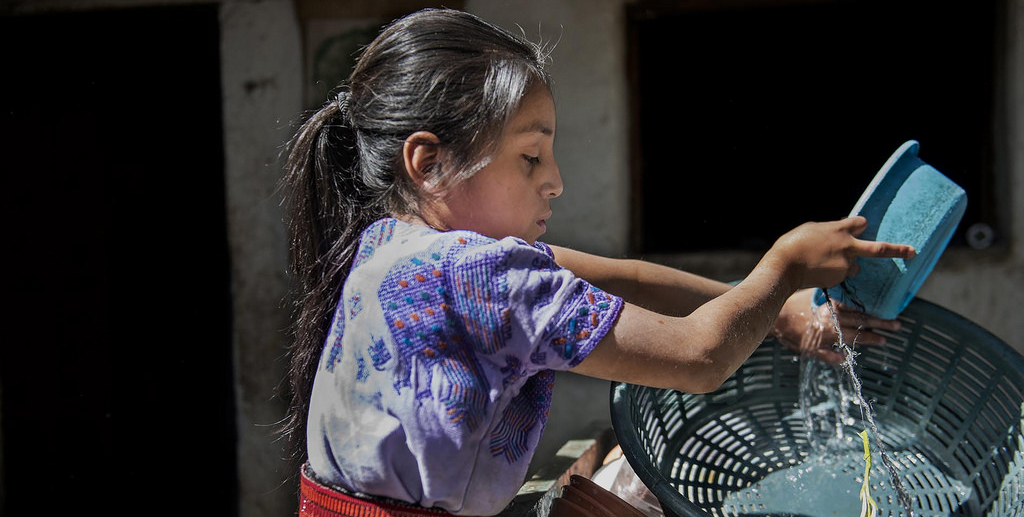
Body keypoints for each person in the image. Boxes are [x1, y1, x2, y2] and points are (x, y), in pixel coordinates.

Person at [279, 8, 915, 517]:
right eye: (531, 157)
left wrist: (778, 313)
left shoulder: (392, 248)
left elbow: (629, 278)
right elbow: (700, 359)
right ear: (430, 163)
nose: (555, 181)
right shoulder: (485, 276)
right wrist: (786, 267)